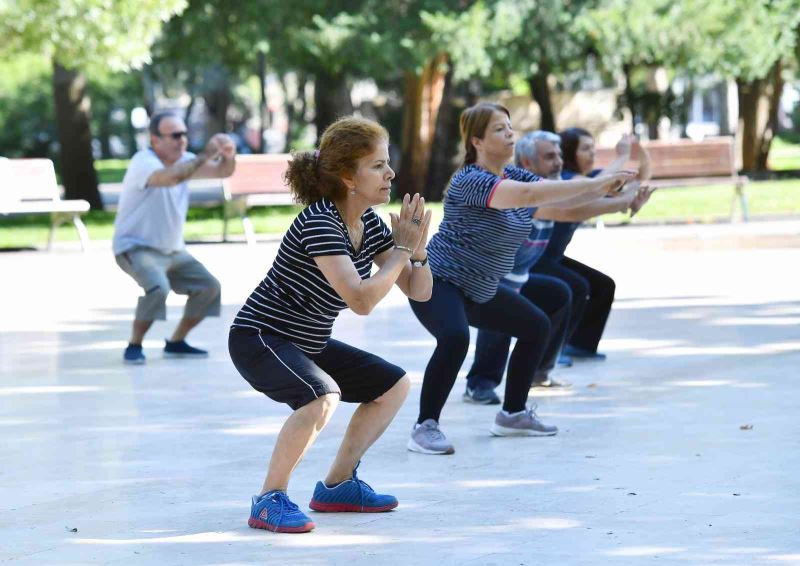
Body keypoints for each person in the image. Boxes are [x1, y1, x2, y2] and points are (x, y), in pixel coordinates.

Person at [228, 116, 433, 533]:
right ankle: (269, 499)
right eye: (378, 165)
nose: (391, 173)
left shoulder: (369, 224)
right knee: (321, 396)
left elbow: (420, 290)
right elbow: (360, 300)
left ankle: (337, 486)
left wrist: (417, 251)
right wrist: (400, 251)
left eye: (387, 163)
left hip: (308, 341)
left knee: (393, 384)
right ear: (347, 177)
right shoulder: (321, 222)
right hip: (261, 337)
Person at [407, 103, 635, 455]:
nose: (510, 133)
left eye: (510, 126)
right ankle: (425, 427)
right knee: (454, 338)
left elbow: (564, 206)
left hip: (480, 288)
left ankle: (512, 415)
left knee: (535, 326)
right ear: (477, 140)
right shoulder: (471, 180)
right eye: (500, 129)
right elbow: (533, 196)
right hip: (439, 280)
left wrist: (619, 200)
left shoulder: (517, 177)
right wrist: (604, 183)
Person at [463, 130, 651, 403]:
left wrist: (627, 197)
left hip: (520, 273)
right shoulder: (521, 188)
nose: (559, 162)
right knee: (503, 312)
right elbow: (569, 209)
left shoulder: (551, 186)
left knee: (559, 293)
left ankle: (540, 372)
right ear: (528, 163)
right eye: (550, 156)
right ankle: (479, 383)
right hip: (487, 277)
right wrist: (621, 185)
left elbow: (582, 198)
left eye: (560, 155)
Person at [113, 111, 236, 364]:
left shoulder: (187, 161)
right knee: (158, 288)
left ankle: (176, 341)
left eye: (184, 134)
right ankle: (134, 345)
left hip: (172, 250)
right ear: (155, 139)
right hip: (136, 248)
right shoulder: (143, 162)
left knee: (210, 288)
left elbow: (223, 172)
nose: (182, 140)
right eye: (175, 135)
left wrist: (228, 153)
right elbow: (170, 178)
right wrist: (205, 154)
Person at [533, 128, 654, 361]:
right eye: (585, 149)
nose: (592, 154)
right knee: (577, 286)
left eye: (594, 149)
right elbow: (594, 187)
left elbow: (639, 178)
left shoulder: (591, 179)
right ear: (570, 153)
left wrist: (638, 151)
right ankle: (553, 350)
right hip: (535, 257)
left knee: (602, 286)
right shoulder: (564, 180)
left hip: (553, 257)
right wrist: (621, 158)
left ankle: (580, 345)